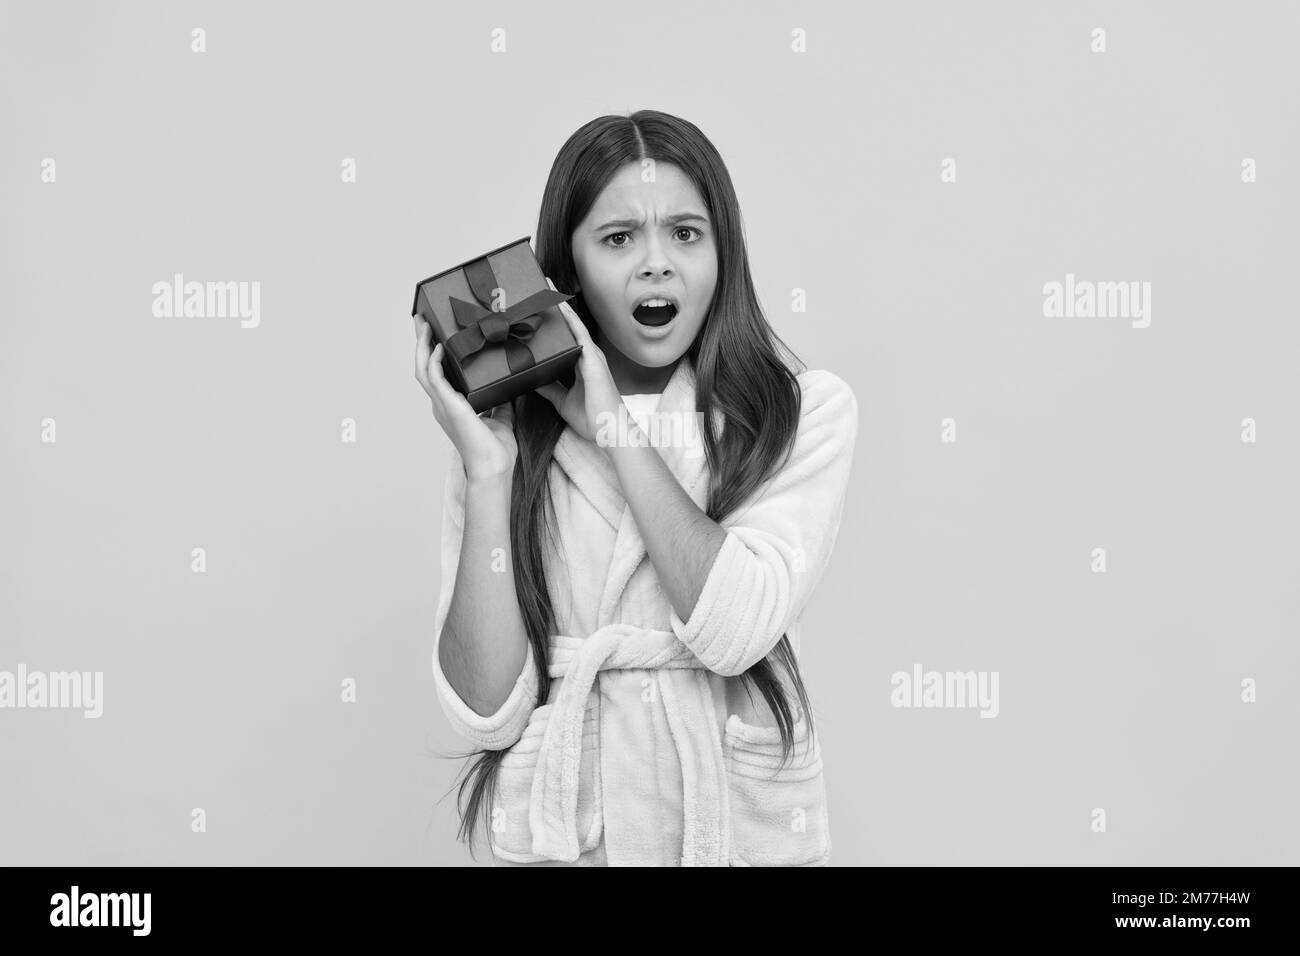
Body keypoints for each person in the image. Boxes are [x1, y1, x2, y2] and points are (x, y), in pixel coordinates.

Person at [413, 109, 859, 866]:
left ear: (723, 254)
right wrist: (489, 471)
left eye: (686, 233)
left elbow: (737, 627)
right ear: (567, 271)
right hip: (579, 837)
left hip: (729, 822)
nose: (657, 264)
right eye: (619, 239)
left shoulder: (801, 412)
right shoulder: (507, 437)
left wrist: (613, 428)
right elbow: (486, 712)